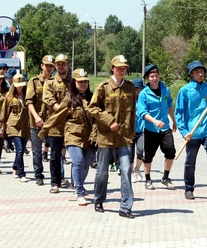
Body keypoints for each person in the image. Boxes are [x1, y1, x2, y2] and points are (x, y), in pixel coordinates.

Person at [88, 54, 136, 218]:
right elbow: (92, 108)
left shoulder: (130, 88)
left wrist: (132, 133)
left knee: (126, 169)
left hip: (124, 138)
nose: (122, 70)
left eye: (124, 68)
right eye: (119, 67)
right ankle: (99, 199)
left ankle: (125, 207)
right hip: (106, 137)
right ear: (112, 68)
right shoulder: (103, 87)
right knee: (102, 171)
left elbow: (133, 113)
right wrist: (109, 121)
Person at [41, 68, 95, 206]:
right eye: (80, 82)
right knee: (78, 160)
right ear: (74, 82)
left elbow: (98, 116)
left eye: (85, 82)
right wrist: (45, 129)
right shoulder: (69, 99)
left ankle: (79, 183)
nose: (83, 84)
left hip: (88, 136)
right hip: (72, 135)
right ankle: (79, 191)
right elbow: (57, 115)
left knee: (87, 162)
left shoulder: (92, 98)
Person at [175, 60, 207, 200]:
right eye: (197, 72)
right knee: (190, 162)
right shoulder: (185, 91)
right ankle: (188, 189)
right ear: (191, 74)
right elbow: (178, 114)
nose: (200, 74)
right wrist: (184, 132)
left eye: (202, 71)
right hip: (192, 132)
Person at [136, 64, 177, 191]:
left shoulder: (165, 89)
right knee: (148, 156)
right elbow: (142, 112)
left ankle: (165, 177)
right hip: (150, 129)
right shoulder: (144, 94)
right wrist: (154, 121)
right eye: (152, 76)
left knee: (170, 151)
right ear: (147, 78)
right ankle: (148, 179)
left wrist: (173, 121)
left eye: (156, 75)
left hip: (165, 128)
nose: (154, 78)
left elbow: (169, 105)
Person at [42, 53, 72, 193]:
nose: (61, 66)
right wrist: (62, 111)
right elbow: (49, 100)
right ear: (55, 66)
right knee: (55, 155)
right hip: (55, 124)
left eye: (63, 63)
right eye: (58, 64)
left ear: (68, 65)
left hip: (72, 124)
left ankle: (75, 181)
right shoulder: (50, 82)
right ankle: (55, 182)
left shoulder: (74, 82)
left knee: (76, 154)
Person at [26, 55, 55, 186]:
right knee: (37, 151)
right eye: (46, 65)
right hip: (36, 121)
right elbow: (29, 102)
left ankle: (57, 176)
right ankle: (38, 174)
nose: (48, 68)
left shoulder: (56, 82)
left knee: (55, 149)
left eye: (51, 66)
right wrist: (36, 117)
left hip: (53, 121)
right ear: (41, 66)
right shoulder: (33, 81)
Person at [0, 74, 30, 182]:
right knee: (20, 149)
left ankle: (15, 167)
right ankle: (22, 174)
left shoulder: (28, 95)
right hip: (13, 126)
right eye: (18, 85)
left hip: (25, 125)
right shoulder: (9, 96)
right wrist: (2, 128)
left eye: (22, 85)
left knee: (20, 151)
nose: (20, 87)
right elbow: (4, 113)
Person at [131, 78, 145, 183]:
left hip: (142, 130)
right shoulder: (128, 99)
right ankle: (131, 172)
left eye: (139, 89)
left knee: (140, 151)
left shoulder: (144, 99)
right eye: (135, 89)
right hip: (130, 131)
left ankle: (137, 169)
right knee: (130, 153)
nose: (137, 91)